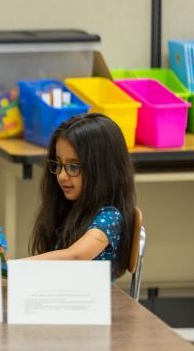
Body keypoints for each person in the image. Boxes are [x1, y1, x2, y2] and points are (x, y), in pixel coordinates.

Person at [25, 113, 136, 281]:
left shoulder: (110, 217)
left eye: (73, 166)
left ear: (102, 170)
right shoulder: (69, 205)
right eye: (58, 164)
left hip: (89, 303)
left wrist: (15, 269)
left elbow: (76, 256)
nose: (62, 176)